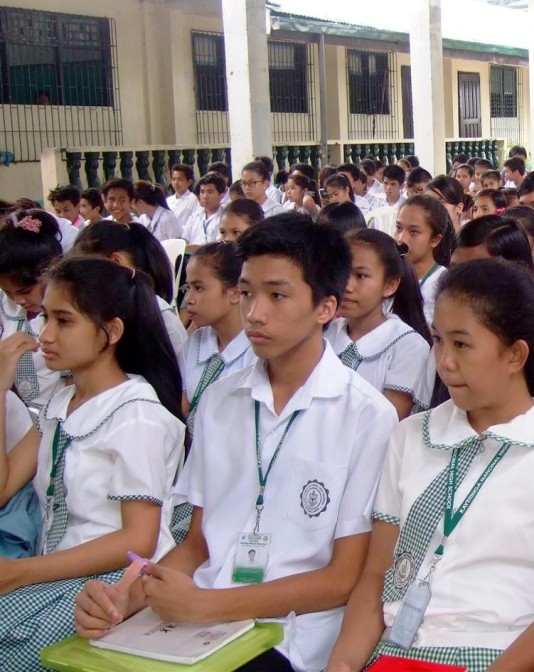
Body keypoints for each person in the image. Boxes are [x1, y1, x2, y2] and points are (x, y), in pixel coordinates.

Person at [74, 214, 398, 672]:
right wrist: (133, 593)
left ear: (326, 308)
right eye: (246, 293)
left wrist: (207, 605)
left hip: (289, 633)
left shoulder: (366, 415)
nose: (255, 313)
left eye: (277, 295)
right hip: (199, 618)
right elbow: (199, 541)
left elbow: (344, 578)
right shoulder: (221, 401)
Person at [324, 260, 534, 672]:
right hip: (393, 650)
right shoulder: (411, 436)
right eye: (438, 340)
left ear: (515, 354)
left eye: (461, 344)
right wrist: (343, 664)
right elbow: (376, 575)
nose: (444, 361)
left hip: (500, 655)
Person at [0, 258, 185, 670]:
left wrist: (21, 573)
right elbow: (5, 482)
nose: (44, 335)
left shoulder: (135, 416)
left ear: (112, 331)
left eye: (64, 321)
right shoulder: (61, 403)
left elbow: (138, 541)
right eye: (44, 317)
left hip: (111, 588)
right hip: (53, 574)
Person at [326, 229, 431, 419]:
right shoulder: (326, 333)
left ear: (389, 285)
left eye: (361, 276)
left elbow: (388, 421)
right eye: (342, 273)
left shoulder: (408, 346)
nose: (347, 286)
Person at [72, 221, 187, 360]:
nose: (79, 282)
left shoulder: (160, 318)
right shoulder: (102, 311)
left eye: (84, 271)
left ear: (115, 262)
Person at [180, 243, 255, 436]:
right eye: (188, 288)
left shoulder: (256, 352)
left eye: (199, 288)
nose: (189, 299)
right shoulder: (196, 341)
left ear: (235, 294)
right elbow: (183, 406)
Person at [0, 212, 67, 412]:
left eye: (25, 291)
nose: (18, 300)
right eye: (8, 292)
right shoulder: (5, 307)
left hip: (57, 414)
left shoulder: (70, 313)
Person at [396, 195, 455, 325]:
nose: (401, 239)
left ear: (435, 240)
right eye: (399, 228)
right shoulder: (389, 277)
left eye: (414, 232)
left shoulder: (444, 285)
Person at [182, 172, 226, 249]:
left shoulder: (225, 217)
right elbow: (184, 240)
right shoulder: (194, 216)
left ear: (221, 195)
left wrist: (196, 249)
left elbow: (219, 246)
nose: (205, 197)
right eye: (202, 192)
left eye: (210, 192)